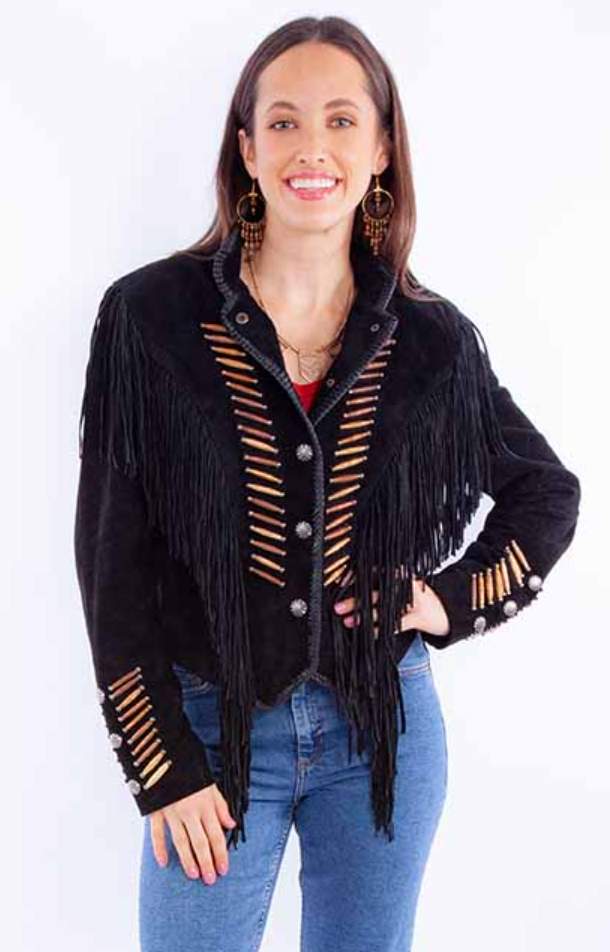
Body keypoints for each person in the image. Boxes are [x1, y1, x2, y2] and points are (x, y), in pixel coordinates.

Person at [73, 15, 581, 952]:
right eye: (285, 122)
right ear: (247, 149)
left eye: (343, 121)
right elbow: (112, 567)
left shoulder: (433, 340)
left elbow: (547, 491)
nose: (313, 148)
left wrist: (444, 600)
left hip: (383, 741)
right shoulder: (150, 318)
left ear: (382, 148)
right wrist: (161, 766)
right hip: (209, 733)